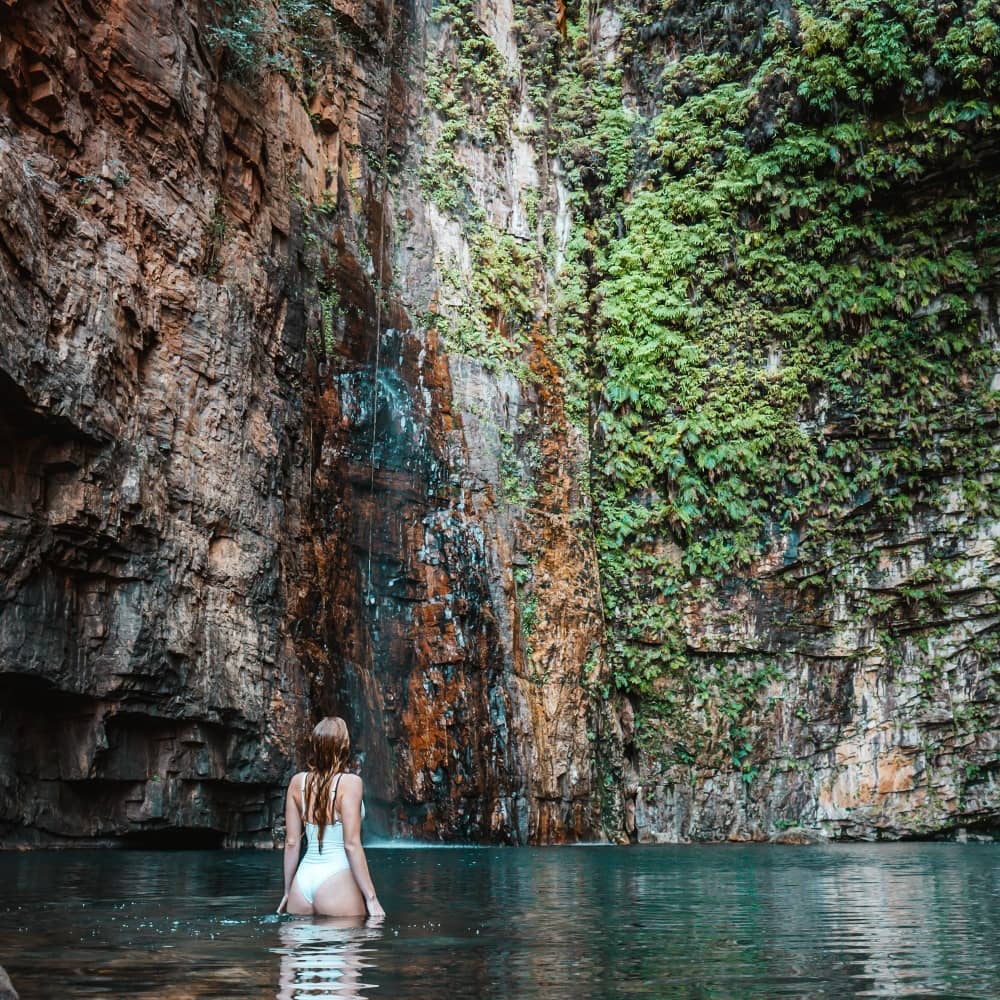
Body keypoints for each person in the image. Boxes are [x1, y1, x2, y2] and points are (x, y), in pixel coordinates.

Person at [277, 717, 385, 919]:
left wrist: (288, 891)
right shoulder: (350, 783)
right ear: (344, 746)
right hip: (337, 880)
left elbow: (292, 843)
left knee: (302, 950)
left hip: (301, 883)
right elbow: (351, 844)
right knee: (355, 942)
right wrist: (371, 898)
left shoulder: (297, 781)